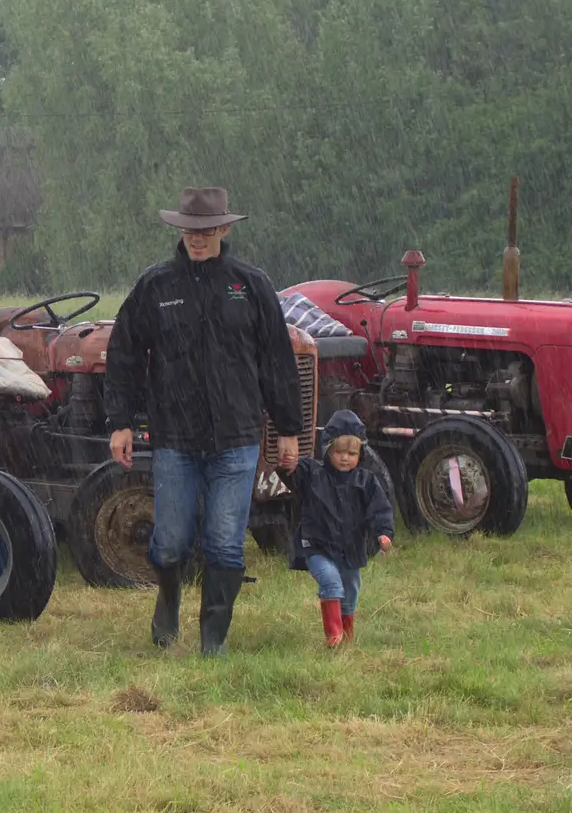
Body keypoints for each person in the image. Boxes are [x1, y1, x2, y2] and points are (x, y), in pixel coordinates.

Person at [105, 187, 304, 656]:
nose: (197, 238)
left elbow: (277, 360)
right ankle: (168, 599)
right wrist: (121, 421)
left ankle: (212, 641)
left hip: (236, 438)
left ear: (225, 229)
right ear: (180, 231)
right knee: (170, 541)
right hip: (175, 438)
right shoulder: (156, 287)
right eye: (190, 230)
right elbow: (124, 353)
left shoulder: (250, 285)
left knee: (224, 543)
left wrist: (289, 429)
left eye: (207, 230)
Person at [278, 410, 395, 647]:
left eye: (351, 453)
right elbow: (293, 474)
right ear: (327, 450)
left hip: (351, 549)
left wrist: (383, 532)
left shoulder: (367, 481)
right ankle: (334, 635)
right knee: (331, 583)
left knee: (350, 589)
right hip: (317, 547)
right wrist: (289, 464)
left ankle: (346, 634)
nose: (345, 458)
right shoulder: (313, 474)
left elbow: (380, 510)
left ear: (360, 454)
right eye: (339, 452)